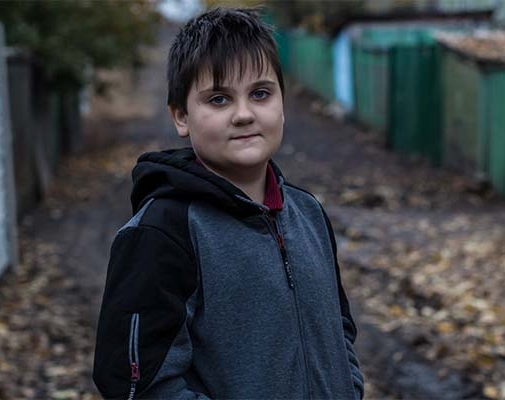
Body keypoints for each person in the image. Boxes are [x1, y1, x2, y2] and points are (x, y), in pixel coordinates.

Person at [93, 7, 364, 399]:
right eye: (219, 99)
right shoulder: (163, 231)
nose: (243, 114)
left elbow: (339, 330)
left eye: (260, 93)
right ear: (181, 117)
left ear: (282, 104)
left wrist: (350, 388)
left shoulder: (308, 213)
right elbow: (139, 385)